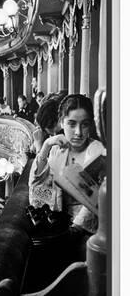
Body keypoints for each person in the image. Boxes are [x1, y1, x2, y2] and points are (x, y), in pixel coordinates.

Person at [29, 94, 106, 243]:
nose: (78, 132)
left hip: (90, 233)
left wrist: (75, 228)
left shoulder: (98, 152)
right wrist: (45, 146)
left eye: (84, 124)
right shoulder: (57, 151)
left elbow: (98, 203)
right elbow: (37, 193)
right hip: (60, 226)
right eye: (71, 124)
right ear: (61, 123)